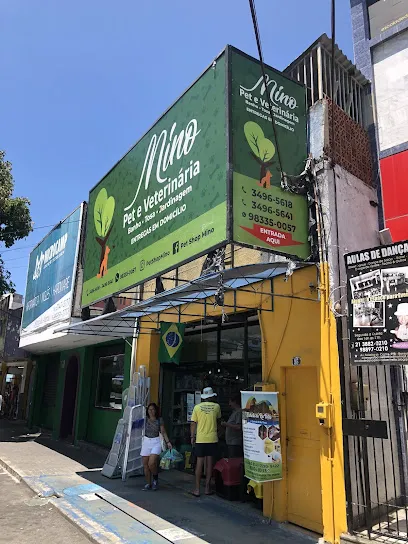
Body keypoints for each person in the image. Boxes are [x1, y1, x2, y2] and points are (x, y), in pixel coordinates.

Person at [190, 387, 221, 497]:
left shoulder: (197, 408)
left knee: (199, 464)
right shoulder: (217, 407)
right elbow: (218, 421)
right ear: (212, 396)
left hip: (200, 439)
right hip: (212, 438)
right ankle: (207, 488)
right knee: (209, 464)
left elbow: (193, 423)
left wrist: (192, 436)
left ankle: (197, 489)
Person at [141, 403, 172, 491]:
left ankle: (155, 478)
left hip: (156, 442)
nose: (151, 411)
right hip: (146, 441)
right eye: (149, 409)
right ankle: (148, 483)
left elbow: (163, 432)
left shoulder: (159, 420)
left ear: (156, 410)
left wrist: (168, 442)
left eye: (153, 409)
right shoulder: (145, 419)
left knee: (151, 463)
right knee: (146, 465)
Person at [221, 394, 243, 458]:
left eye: (230, 402)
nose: (229, 404)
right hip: (231, 442)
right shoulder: (234, 412)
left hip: (235, 442)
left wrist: (226, 424)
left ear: (234, 402)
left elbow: (238, 427)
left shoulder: (239, 412)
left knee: (233, 461)